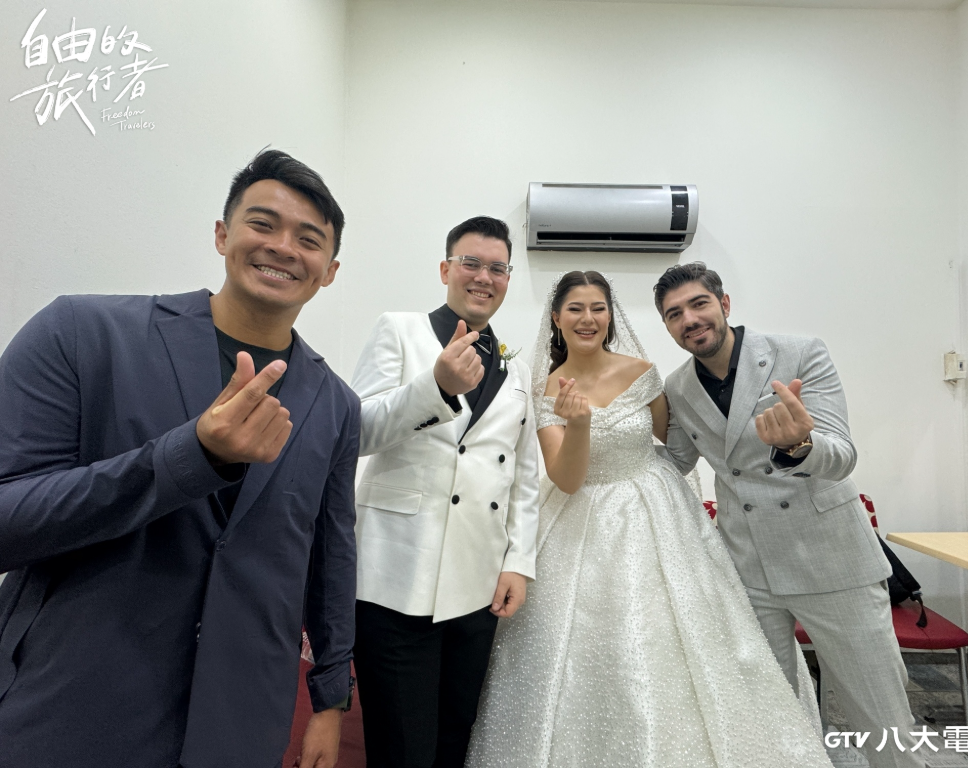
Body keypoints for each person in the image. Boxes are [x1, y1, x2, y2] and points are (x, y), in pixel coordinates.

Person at [0, 149, 359, 768]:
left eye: (308, 239)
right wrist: (190, 457)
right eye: (262, 224)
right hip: (74, 708)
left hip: (242, 721)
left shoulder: (335, 404)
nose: (283, 247)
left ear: (328, 271)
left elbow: (330, 561)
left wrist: (330, 699)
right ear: (222, 234)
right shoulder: (83, 334)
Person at [466, 271, 832, 768]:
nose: (588, 318)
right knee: (584, 649)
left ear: (610, 315)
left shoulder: (643, 373)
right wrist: (578, 424)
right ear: (556, 318)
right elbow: (568, 480)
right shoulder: (546, 388)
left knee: (683, 642)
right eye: (575, 308)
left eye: (598, 307)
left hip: (658, 514)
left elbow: (678, 442)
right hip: (578, 520)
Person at [658, 262, 923, 768]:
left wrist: (800, 445)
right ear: (668, 326)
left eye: (699, 304)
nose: (689, 319)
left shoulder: (799, 352)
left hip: (831, 559)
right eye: (674, 314)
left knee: (881, 713)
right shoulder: (677, 387)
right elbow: (674, 462)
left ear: (724, 304)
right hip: (747, 568)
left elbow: (842, 455)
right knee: (767, 710)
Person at [350, 215, 540, 768]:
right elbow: (357, 430)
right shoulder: (399, 330)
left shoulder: (517, 370)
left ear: (508, 279)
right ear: (445, 269)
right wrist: (434, 386)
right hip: (395, 577)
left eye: (497, 268)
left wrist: (518, 561)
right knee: (402, 748)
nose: (484, 277)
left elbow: (524, 476)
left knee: (456, 740)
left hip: (477, 584)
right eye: (471, 263)